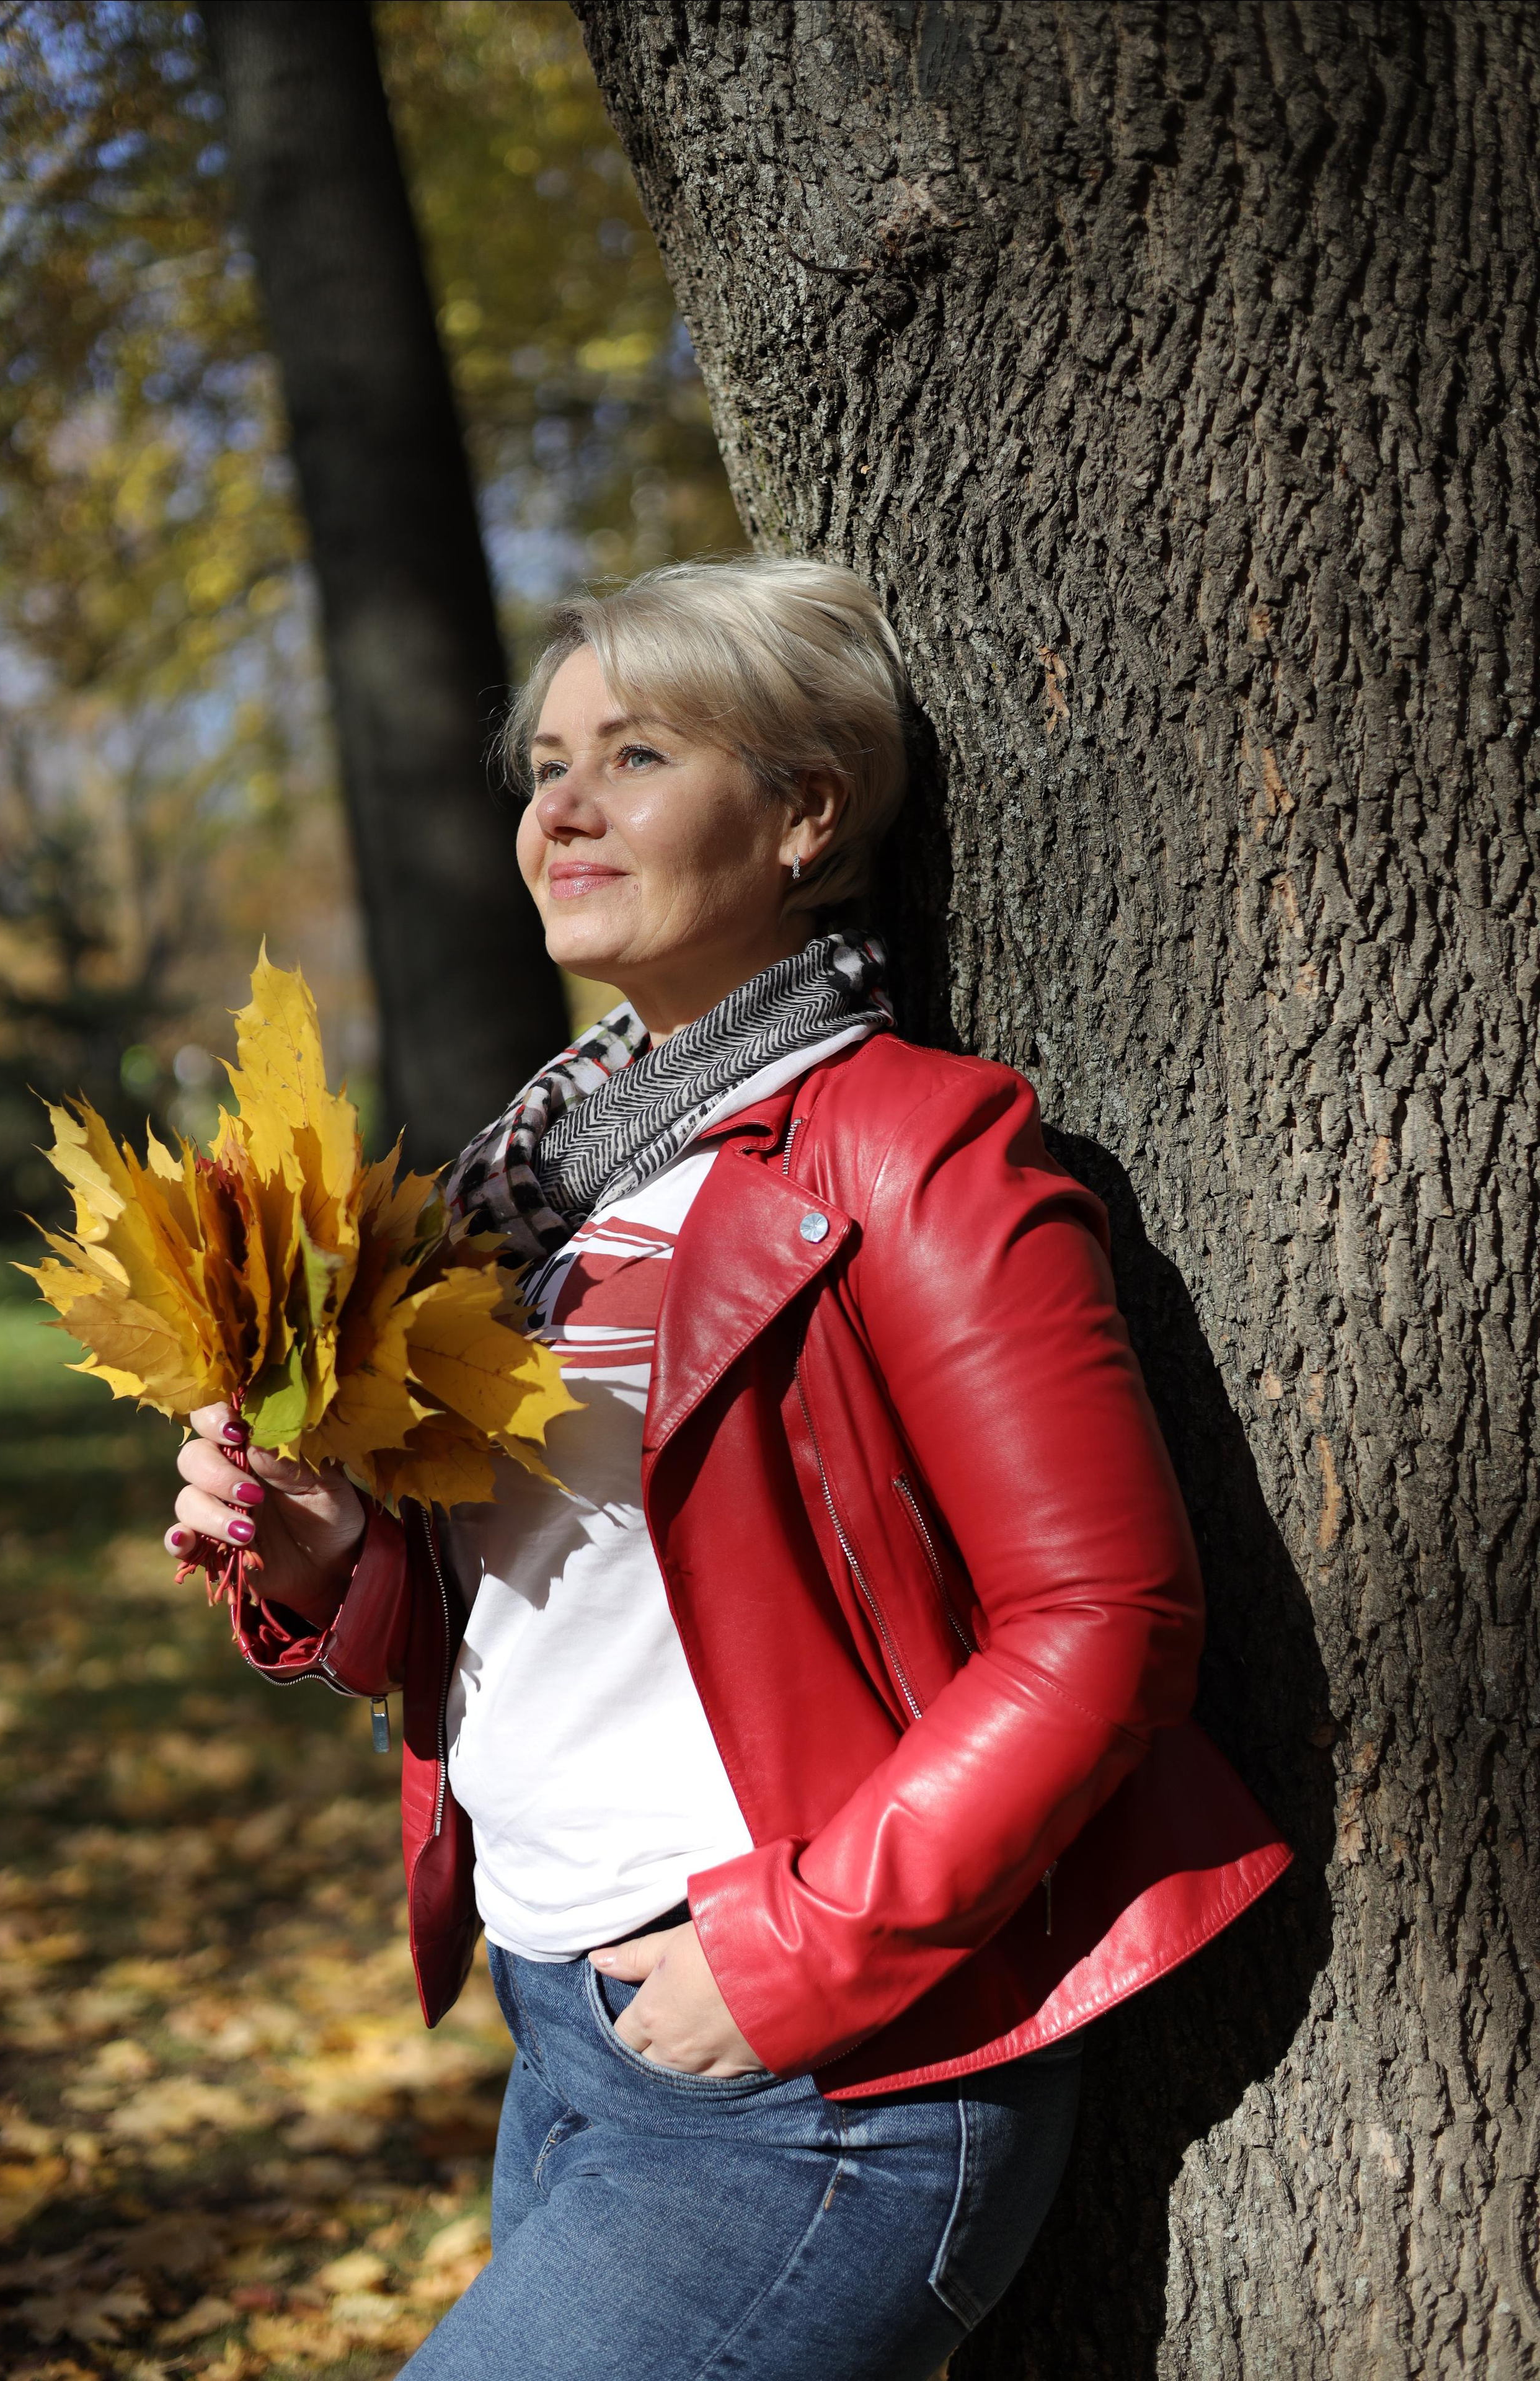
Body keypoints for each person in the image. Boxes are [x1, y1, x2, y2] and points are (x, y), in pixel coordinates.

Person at [166, 557, 1290, 2380]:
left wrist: (794, 1961)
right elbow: (550, 1610)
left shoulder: (918, 1151)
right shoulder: (525, 1188)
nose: (565, 809)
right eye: (546, 765)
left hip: (817, 2079)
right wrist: (333, 1562)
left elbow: (1102, 1622)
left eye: (639, 753)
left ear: (803, 813)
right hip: (570, 2030)